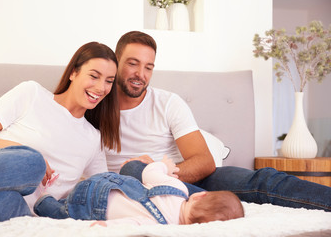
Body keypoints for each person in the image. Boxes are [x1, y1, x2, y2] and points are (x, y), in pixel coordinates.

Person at [105, 30, 331, 212]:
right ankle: (203, 204)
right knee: (133, 172)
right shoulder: (94, 108)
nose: (140, 74)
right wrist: (143, 175)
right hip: (137, 189)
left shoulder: (167, 103)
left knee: (264, 181)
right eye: (132, 63)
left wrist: (157, 170)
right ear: (115, 62)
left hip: (184, 177)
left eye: (148, 67)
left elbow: (204, 162)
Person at [0, 41, 120, 228]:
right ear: (74, 72)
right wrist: (21, 151)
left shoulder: (93, 138)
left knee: (12, 202)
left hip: (17, 210)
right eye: (94, 76)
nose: (101, 88)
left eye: (109, 81)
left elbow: (102, 191)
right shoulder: (32, 94)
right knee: (33, 162)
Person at [33, 156, 244, 226]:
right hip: (90, 209)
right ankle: (44, 203)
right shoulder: (164, 228)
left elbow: (150, 172)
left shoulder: (178, 188)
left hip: (103, 183)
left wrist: (166, 166)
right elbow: (131, 224)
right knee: (64, 214)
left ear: (199, 195)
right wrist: (104, 226)